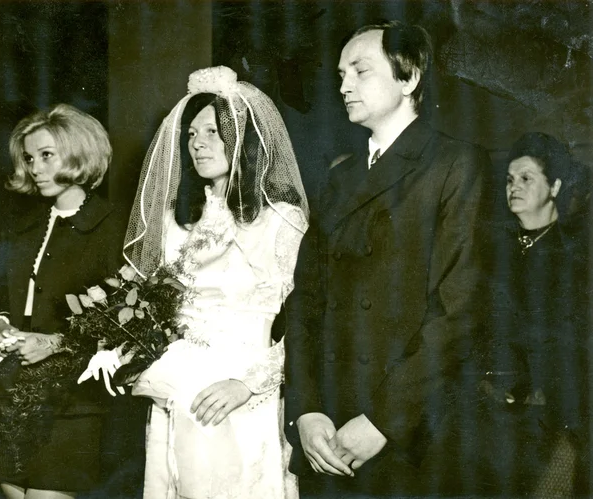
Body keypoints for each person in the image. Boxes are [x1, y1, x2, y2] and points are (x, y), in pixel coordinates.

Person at [284, 21, 493, 497]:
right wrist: (307, 409)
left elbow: (460, 309)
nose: (343, 85)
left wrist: (383, 420)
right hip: (327, 431)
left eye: (360, 70)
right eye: (340, 74)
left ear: (409, 78)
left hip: (407, 435)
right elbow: (304, 301)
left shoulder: (455, 165)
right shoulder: (339, 180)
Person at [121, 66, 308, 498]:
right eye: (190, 133)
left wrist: (249, 383)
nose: (197, 144)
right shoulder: (175, 223)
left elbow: (306, 323)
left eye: (212, 131)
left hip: (240, 396)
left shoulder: (280, 221)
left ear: (243, 138)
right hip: (176, 391)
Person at [0, 104, 129, 499]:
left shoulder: (114, 227)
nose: (35, 167)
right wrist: (0, 327)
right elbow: (0, 295)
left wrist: (54, 343)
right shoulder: (23, 228)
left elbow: (126, 322)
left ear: (78, 152)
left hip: (75, 402)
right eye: (30, 158)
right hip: (11, 394)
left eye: (46, 155)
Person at [478, 132, 590, 497]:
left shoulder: (577, 259)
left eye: (527, 178)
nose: (515, 187)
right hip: (488, 417)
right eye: (510, 180)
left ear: (555, 185)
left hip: (553, 420)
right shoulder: (489, 253)